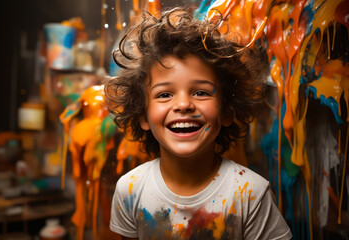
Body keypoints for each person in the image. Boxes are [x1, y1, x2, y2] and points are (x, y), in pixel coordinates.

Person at [105, 7, 292, 240]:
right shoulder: (130, 190)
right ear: (143, 115)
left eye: (201, 92)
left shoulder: (250, 193)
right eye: (164, 94)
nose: (183, 104)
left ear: (227, 111)